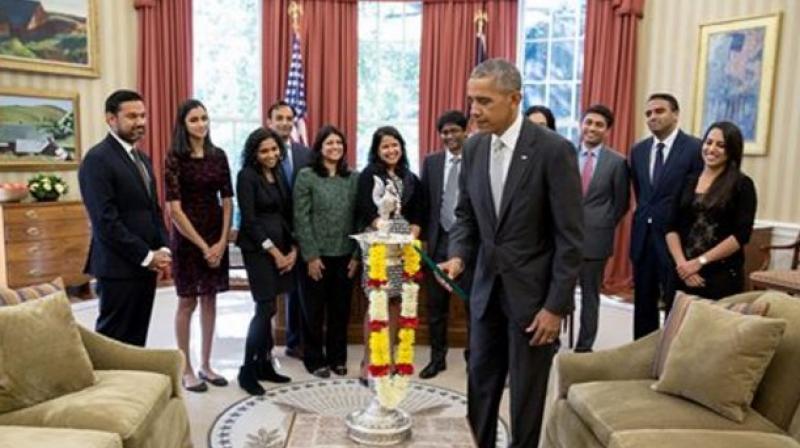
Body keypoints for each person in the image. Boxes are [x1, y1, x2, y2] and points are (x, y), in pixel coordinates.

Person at [439, 59, 583, 448]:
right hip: (486, 293)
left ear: (515, 98)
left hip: (535, 301)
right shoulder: (473, 149)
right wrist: (459, 255)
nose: (474, 111)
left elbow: (570, 239)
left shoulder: (553, 150)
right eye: (471, 101)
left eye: (484, 101)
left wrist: (556, 306)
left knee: (526, 395)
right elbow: (465, 216)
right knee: (480, 384)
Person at [79, 89, 171, 347]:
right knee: (114, 343)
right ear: (111, 119)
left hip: (146, 266)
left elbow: (154, 210)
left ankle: (135, 387)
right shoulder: (97, 159)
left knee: (137, 340)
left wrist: (163, 247)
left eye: (143, 115)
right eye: (132, 116)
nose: (140, 122)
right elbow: (105, 222)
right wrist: (146, 255)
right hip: (118, 268)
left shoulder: (142, 158)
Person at [164, 99, 233, 392]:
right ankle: (186, 367)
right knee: (187, 301)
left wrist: (219, 241)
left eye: (204, 118)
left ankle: (206, 364)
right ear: (183, 124)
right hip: (188, 236)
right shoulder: (174, 158)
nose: (201, 124)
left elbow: (228, 201)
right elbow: (174, 210)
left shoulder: (219, 156)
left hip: (216, 232)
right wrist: (204, 246)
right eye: (194, 119)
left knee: (210, 299)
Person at [629, 93, 703, 339]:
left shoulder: (694, 148)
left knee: (675, 306)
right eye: (648, 113)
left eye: (659, 111)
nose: (652, 117)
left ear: (675, 114)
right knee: (643, 306)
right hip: (643, 238)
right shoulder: (638, 150)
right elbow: (643, 195)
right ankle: (641, 355)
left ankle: (671, 358)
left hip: (676, 240)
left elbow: (697, 198)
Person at [355, 125, 424, 383]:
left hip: (404, 248)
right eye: (385, 146)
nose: (391, 150)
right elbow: (364, 210)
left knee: (396, 301)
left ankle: (391, 357)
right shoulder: (368, 175)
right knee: (377, 301)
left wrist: (410, 237)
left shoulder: (411, 177)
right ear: (377, 150)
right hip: (378, 247)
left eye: (395, 145)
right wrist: (388, 232)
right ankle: (369, 359)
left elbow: (419, 213)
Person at [293, 125, 360, 378]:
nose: (335, 148)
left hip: (345, 256)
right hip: (315, 256)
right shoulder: (307, 176)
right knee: (313, 310)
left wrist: (356, 255)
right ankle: (313, 358)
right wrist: (310, 255)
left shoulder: (353, 178)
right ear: (320, 147)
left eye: (339, 143)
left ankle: (337, 358)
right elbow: (301, 217)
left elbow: (359, 218)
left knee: (340, 311)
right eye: (329, 143)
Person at [666, 121, 757, 300]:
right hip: (682, 272)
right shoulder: (686, 181)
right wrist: (683, 266)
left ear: (732, 150)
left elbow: (741, 235)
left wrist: (699, 262)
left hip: (720, 276)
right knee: (676, 326)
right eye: (708, 142)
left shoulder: (742, 184)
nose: (711, 149)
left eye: (720, 145)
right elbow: (670, 226)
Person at [235, 127, 296, 395]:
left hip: (282, 245)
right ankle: (247, 370)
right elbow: (249, 221)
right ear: (254, 153)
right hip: (258, 250)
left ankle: (265, 364)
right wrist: (275, 252)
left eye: (274, 149)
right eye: (264, 151)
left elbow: (287, 213)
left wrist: (293, 248)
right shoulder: (246, 176)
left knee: (271, 309)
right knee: (264, 308)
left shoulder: (279, 172)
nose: (271, 154)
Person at [418, 110, 473, 379]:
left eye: (455, 131)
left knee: (473, 305)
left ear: (465, 131)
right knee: (436, 308)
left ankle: (473, 357)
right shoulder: (431, 162)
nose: (450, 136)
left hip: (470, 246)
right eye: (445, 132)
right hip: (438, 244)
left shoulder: (477, 159)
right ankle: (437, 358)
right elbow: (426, 203)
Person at [573, 104, 629, 353]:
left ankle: (584, 347)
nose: (592, 128)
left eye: (599, 124)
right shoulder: (565, 154)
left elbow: (621, 204)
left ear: (607, 130)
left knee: (589, 298)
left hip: (596, 241)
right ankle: (550, 341)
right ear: (581, 124)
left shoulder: (617, 162)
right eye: (588, 122)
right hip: (562, 238)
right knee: (557, 294)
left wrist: (602, 223)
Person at [266, 100, 313, 360]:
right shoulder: (260, 151)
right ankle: (264, 345)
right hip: (270, 232)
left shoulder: (305, 154)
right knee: (268, 294)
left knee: (298, 290)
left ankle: (295, 341)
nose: (285, 122)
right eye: (279, 118)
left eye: (288, 118)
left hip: (298, 231)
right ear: (270, 122)